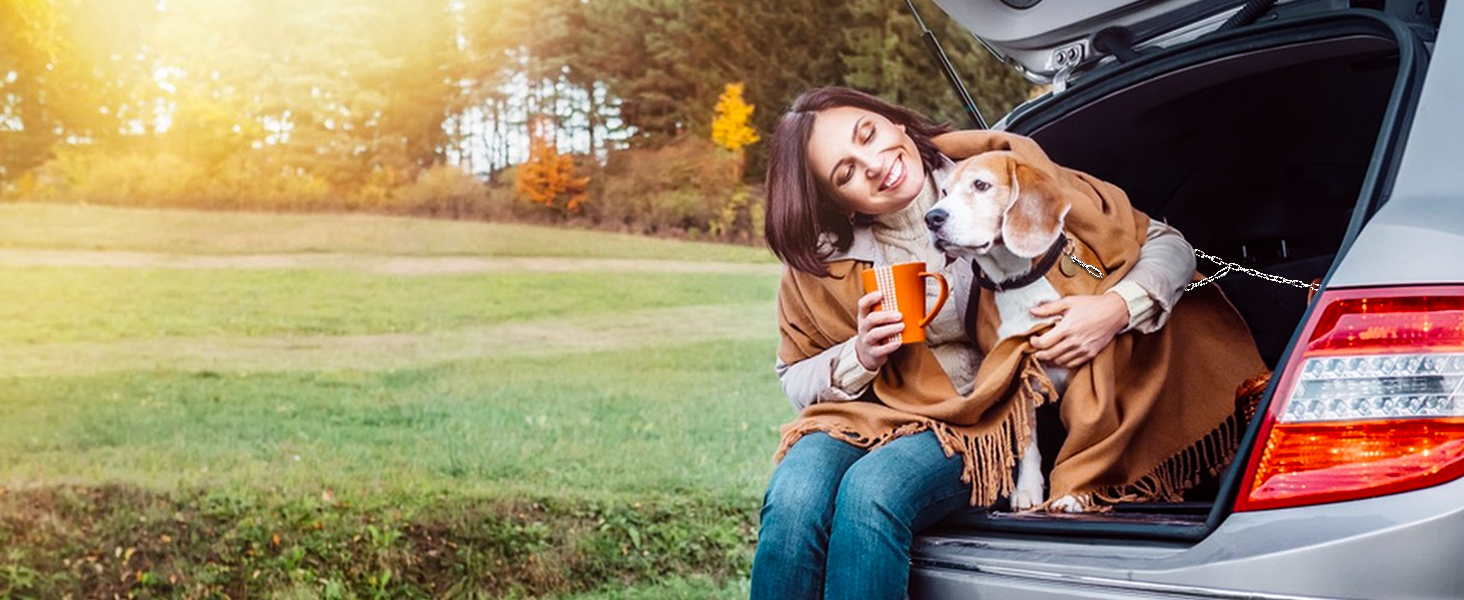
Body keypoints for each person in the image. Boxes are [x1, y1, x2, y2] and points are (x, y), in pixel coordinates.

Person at [748, 87, 1217, 600]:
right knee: (794, 494)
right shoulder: (821, 258)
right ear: (838, 203)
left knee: (871, 492)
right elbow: (794, 376)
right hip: (874, 411)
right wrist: (858, 355)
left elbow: (1167, 245)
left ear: (895, 122)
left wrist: (1116, 308)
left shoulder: (999, 171)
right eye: (846, 174)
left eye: (869, 134)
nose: (875, 165)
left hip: (980, 416)